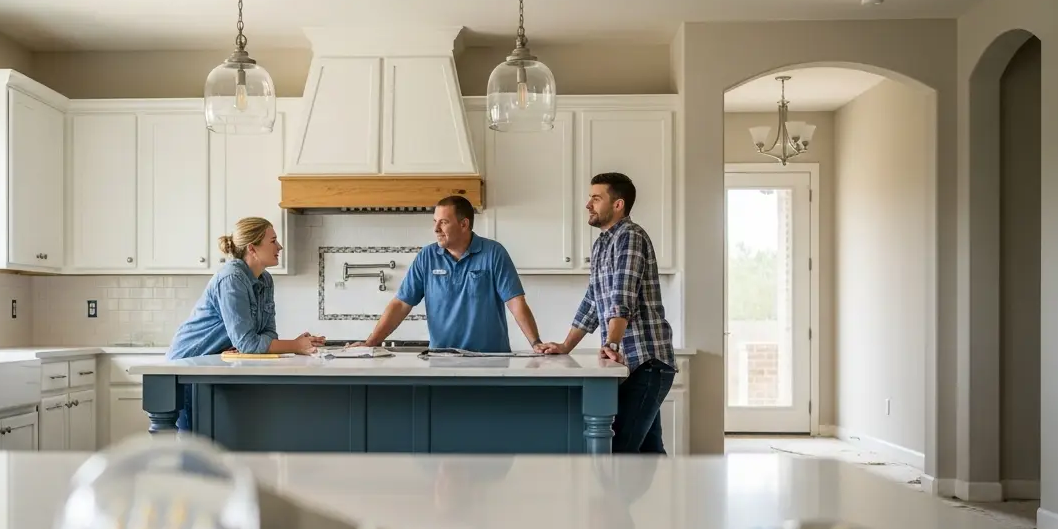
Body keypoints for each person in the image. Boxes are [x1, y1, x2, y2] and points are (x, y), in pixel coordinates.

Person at [539, 173, 677, 453]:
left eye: (596, 198)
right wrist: (566, 345)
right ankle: (667, 497)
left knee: (621, 453)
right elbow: (593, 300)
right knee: (648, 453)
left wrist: (611, 343)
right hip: (631, 364)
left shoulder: (630, 237)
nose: (588, 204)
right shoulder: (603, 244)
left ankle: (611, 499)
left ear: (618, 205)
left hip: (646, 362)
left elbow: (621, 297)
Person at [167, 217, 324, 428]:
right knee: (193, 443)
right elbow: (250, 344)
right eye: (273, 241)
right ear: (252, 248)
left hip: (212, 366)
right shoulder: (231, 279)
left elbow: (268, 334)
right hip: (188, 366)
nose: (280, 246)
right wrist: (296, 346)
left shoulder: (265, 279)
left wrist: (247, 345)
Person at [357, 195, 544, 352]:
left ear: (464, 224)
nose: (436, 229)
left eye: (443, 222)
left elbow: (515, 302)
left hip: (491, 360)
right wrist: (371, 342)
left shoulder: (493, 253)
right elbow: (401, 304)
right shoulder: (427, 257)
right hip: (441, 360)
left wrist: (536, 343)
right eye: (434, 222)